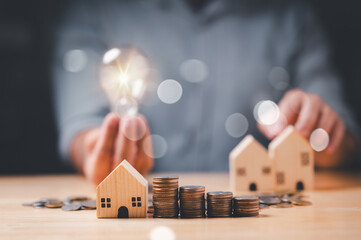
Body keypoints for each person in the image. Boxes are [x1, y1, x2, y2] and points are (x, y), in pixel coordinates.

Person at [53, 0, 359, 185]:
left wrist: (322, 131)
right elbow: (82, 128)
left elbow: (341, 138)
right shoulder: (95, 9)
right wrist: (98, 149)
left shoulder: (291, 15)